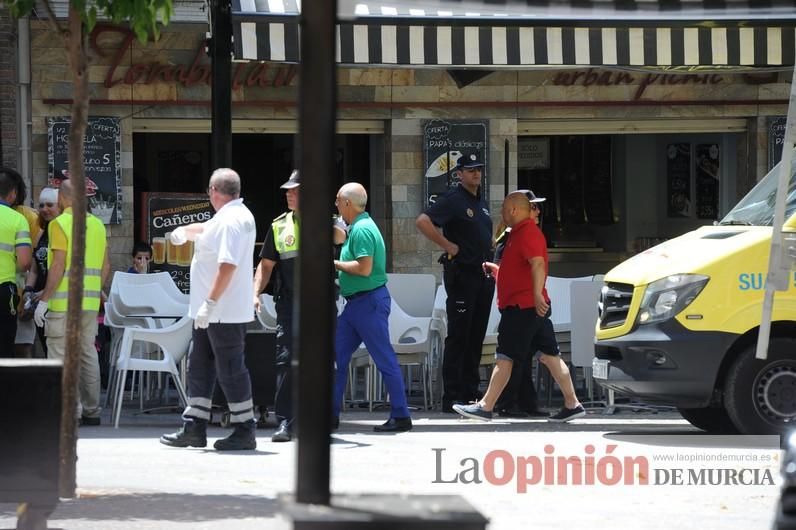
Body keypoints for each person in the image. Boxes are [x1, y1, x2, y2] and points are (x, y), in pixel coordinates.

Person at [452, 190, 586, 423]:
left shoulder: (528, 233)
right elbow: (521, 270)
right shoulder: (516, 234)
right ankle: (572, 403)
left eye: (504, 208)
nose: (501, 213)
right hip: (529, 305)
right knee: (551, 356)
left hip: (523, 306)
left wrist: (535, 294)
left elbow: (537, 265)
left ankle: (485, 406)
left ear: (513, 209)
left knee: (505, 357)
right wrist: (499, 273)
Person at [160, 168, 258, 451]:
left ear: (214, 191)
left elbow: (228, 265)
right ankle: (195, 426)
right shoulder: (230, 217)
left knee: (230, 369)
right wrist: (184, 232)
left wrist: (210, 302)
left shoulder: (232, 221)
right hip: (210, 311)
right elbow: (207, 229)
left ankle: (244, 428)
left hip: (221, 311)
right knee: (199, 365)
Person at [252, 169, 346, 443]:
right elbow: (266, 265)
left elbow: (339, 236)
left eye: (295, 189)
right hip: (290, 304)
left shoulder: (329, 223)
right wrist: (255, 293)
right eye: (288, 190)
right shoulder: (279, 225)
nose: (288, 194)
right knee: (286, 362)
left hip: (321, 304)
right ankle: (285, 423)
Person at [415, 152, 494, 412]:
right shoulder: (453, 199)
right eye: (470, 170)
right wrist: (448, 245)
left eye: (478, 169)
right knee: (459, 334)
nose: (476, 173)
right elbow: (423, 221)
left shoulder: (480, 202)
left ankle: (470, 391)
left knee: (475, 335)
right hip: (462, 275)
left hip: (482, 277)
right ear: (458, 174)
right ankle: (452, 395)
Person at [332, 182, 412, 433]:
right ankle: (329, 414)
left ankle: (401, 415)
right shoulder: (357, 226)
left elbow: (364, 268)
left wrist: (333, 263)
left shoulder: (363, 230)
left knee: (384, 359)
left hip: (368, 302)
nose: (335, 203)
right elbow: (340, 234)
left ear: (346, 203)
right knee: (335, 358)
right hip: (357, 305)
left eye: (337, 199)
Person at [33, 179, 110, 425]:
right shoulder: (97, 224)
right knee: (87, 354)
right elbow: (106, 265)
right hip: (88, 304)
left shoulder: (59, 224)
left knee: (59, 355)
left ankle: (68, 411)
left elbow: (57, 266)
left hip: (63, 303)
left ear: (64, 199)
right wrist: (95, 290)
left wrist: (44, 299)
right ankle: (92, 410)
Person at [491, 221, 546, 418]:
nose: (538, 212)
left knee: (527, 355)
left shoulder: (528, 234)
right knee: (514, 356)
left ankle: (524, 402)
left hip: (531, 304)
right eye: (533, 207)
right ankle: (507, 403)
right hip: (519, 304)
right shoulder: (510, 238)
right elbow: (504, 271)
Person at [5, 170, 39, 358]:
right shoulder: (25, 217)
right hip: (13, 292)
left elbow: (33, 260)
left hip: (19, 291)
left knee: (22, 344)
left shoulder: (28, 217)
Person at [0, 168, 32, 356]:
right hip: (4, 289)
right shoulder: (18, 220)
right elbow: (25, 262)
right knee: (4, 345)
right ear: (13, 193)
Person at [25, 187, 60, 355]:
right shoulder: (41, 234)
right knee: (47, 348)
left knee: (58, 349)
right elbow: (34, 269)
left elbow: (64, 269)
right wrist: (28, 290)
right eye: (41, 205)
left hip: (58, 301)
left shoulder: (65, 231)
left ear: (59, 206)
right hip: (39, 301)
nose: (44, 209)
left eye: (49, 205)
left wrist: (45, 292)